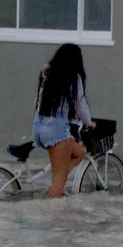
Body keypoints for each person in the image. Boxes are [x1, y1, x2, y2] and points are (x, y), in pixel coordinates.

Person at [31, 42, 91, 200]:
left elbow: (37, 100)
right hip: (56, 130)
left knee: (79, 153)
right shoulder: (73, 78)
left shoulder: (47, 71)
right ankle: (56, 220)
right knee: (59, 182)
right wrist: (88, 122)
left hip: (38, 126)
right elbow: (81, 106)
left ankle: (58, 179)